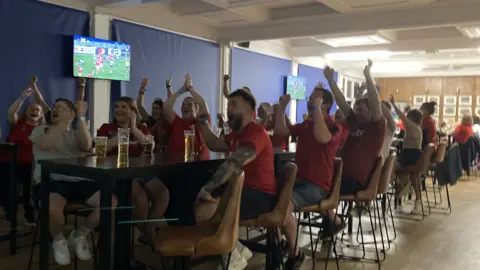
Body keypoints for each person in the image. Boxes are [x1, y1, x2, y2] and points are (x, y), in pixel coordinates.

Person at [195, 88, 276, 270]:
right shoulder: (238, 134)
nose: (228, 110)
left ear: (250, 111)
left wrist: (208, 189)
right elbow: (215, 143)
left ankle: (232, 253)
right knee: (200, 204)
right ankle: (236, 249)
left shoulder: (256, 133)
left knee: (205, 210)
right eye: (228, 105)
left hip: (261, 196)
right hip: (242, 191)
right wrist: (202, 122)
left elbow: (233, 163)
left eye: (233, 105)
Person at [30, 98, 117, 266]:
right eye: (55, 108)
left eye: (62, 108)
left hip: (78, 180)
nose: (56, 110)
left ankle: (80, 234)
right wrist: (63, 123)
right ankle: (59, 240)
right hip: (50, 180)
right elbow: (46, 145)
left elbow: (85, 146)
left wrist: (82, 118)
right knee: (53, 209)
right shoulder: (42, 129)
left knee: (111, 203)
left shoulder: (75, 133)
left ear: (71, 114)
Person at [274, 85, 344, 269]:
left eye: (315, 100)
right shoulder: (307, 124)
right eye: (310, 100)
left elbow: (322, 138)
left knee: (283, 204)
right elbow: (281, 132)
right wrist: (281, 108)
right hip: (298, 182)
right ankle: (279, 244)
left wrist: (316, 111)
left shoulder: (334, 127)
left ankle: (294, 252)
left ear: (326, 105)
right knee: (270, 198)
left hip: (317, 187)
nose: (310, 103)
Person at [97, 96, 170, 244]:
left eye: (124, 107)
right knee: (140, 197)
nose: (119, 109)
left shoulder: (141, 129)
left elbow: (150, 146)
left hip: (140, 172)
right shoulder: (106, 128)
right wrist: (119, 138)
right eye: (117, 107)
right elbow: (99, 150)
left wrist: (134, 129)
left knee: (162, 192)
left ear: (133, 112)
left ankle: (148, 229)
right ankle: (146, 233)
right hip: (117, 174)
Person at [325, 60, 386, 195]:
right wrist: (330, 80)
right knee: (313, 183)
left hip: (354, 180)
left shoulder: (376, 127)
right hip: (340, 174)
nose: (357, 112)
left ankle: (330, 214)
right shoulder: (355, 122)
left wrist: (368, 76)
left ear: (371, 112)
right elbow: (342, 102)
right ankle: (330, 215)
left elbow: (375, 103)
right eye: (356, 109)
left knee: (317, 188)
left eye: (361, 110)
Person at [0, 85, 44, 225]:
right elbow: (11, 111)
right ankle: (10, 213)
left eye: (37, 110)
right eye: (31, 108)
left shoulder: (43, 130)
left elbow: (45, 106)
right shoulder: (18, 123)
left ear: (41, 115)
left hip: (29, 166)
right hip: (8, 163)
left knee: (28, 191)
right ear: (25, 112)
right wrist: (24, 96)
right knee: (8, 189)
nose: (34, 111)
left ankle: (29, 215)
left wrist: (37, 91)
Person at [390, 95, 423, 214]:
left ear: (411, 119)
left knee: (389, 166)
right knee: (396, 168)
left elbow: (402, 117)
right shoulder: (417, 128)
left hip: (410, 157)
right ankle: (400, 193)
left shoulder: (411, 126)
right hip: (413, 155)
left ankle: (396, 191)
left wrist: (393, 105)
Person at [163, 74, 210, 155]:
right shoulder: (176, 121)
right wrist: (182, 89)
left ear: (196, 109)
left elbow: (203, 106)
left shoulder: (201, 123)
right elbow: (166, 107)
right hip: (175, 166)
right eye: (183, 105)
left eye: (189, 105)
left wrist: (190, 88)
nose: (185, 106)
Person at [136, 77, 170, 148]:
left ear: (162, 110)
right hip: (151, 153)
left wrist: (168, 87)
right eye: (153, 108)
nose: (154, 110)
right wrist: (143, 87)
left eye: (157, 108)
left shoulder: (168, 121)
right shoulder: (150, 120)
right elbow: (139, 105)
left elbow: (170, 104)